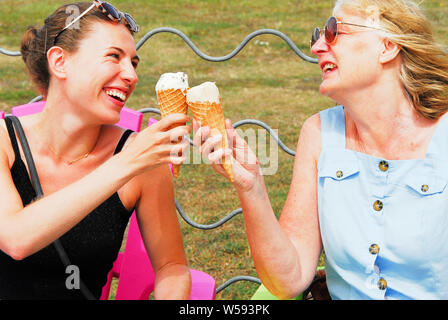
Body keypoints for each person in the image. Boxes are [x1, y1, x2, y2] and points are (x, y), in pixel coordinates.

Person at [193, 0, 448, 299]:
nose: (316, 47)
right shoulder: (317, 134)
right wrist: (252, 188)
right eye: (318, 35)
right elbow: (289, 279)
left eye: (333, 31)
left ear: (387, 46)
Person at [0, 1, 192, 300]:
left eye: (134, 62)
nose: (131, 75)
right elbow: (16, 239)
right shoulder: (3, 143)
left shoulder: (142, 162)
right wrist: (124, 165)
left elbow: (172, 267)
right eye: (114, 56)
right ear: (60, 62)